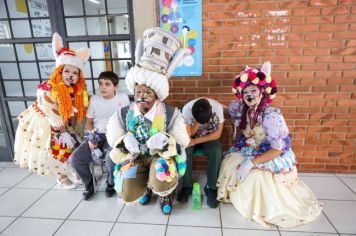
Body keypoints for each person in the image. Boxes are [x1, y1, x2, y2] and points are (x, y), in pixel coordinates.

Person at [217, 61, 321, 228]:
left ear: (262, 92)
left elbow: (277, 149)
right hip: (250, 148)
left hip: (271, 153)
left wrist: (250, 163)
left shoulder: (271, 116)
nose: (249, 95)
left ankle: (261, 209)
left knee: (258, 177)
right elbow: (225, 111)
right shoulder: (240, 109)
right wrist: (211, 106)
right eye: (245, 92)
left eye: (253, 90)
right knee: (230, 163)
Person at [106, 27, 190, 215]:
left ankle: (163, 194)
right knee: (127, 191)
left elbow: (183, 140)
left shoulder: (171, 113)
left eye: (147, 92)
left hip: (159, 156)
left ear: (157, 95)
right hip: (135, 157)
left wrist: (166, 139)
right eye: (138, 92)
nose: (142, 96)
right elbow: (113, 137)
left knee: (161, 176)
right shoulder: (123, 113)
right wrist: (124, 141)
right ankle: (143, 187)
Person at [14, 33, 90, 189]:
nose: (70, 75)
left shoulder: (77, 89)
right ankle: (61, 176)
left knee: (73, 146)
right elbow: (50, 111)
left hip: (67, 121)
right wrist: (62, 130)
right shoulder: (47, 88)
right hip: (48, 123)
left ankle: (71, 170)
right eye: (67, 71)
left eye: (75, 73)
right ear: (59, 71)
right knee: (57, 148)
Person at [69, 71, 130, 201]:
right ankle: (89, 184)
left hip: (115, 136)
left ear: (116, 86)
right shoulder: (95, 100)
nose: (103, 87)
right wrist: (91, 139)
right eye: (101, 83)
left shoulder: (123, 98)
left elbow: (127, 120)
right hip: (96, 135)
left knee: (111, 158)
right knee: (75, 159)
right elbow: (89, 123)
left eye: (107, 84)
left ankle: (111, 183)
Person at [177, 98, 224, 208]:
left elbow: (218, 134)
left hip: (209, 138)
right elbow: (189, 134)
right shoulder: (187, 110)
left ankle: (211, 188)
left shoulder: (217, 107)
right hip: (191, 137)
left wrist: (196, 141)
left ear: (211, 109)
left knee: (216, 150)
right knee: (185, 150)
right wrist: (197, 122)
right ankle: (187, 186)